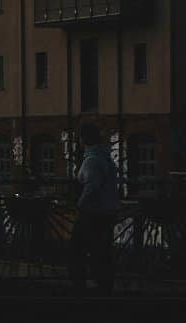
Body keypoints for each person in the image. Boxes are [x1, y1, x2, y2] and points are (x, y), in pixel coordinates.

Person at [70, 122, 120, 295]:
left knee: (76, 249)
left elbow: (91, 188)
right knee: (102, 251)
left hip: (92, 214)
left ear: (84, 139)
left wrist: (80, 205)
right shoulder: (106, 158)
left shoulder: (92, 161)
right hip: (107, 212)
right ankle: (104, 286)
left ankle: (80, 286)